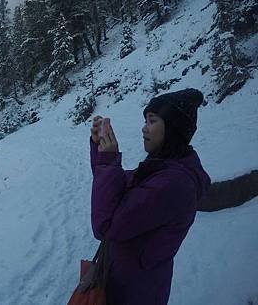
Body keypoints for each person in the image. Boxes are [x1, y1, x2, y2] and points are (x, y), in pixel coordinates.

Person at [89, 88, 211, 304]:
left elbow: (106, 225)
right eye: (146, 120)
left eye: (152, 121)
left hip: (134, 293)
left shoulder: (172, 184)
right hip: (128, 282)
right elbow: (114, 190)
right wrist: (101, 151)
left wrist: (107, 161)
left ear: (173, 127)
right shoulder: (163, 168)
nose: (144, 128)